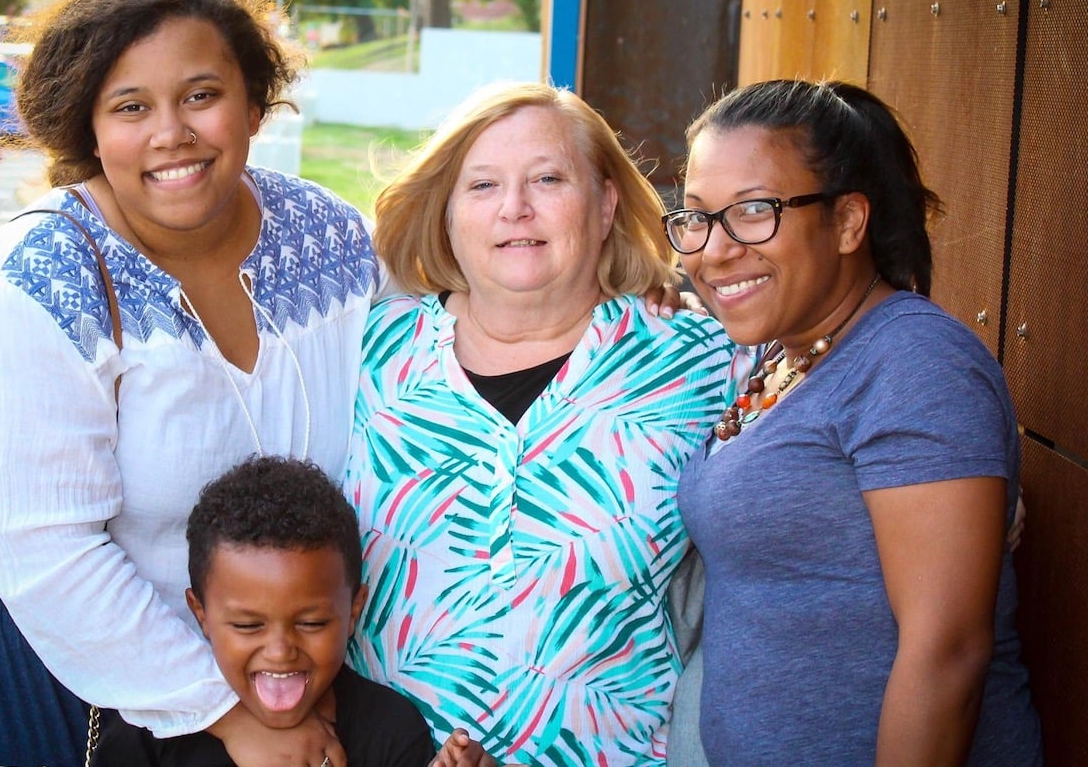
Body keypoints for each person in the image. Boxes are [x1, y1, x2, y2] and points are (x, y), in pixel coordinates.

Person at [0, 0, 382, 765]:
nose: (171, 133)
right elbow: (49, 553)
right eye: (130, 107)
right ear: (87, 128)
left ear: (253, 101)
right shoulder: (39, 272)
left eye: (201, 95)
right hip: (31, 684)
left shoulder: (328, 238)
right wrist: (230, 713)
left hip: (263, 682)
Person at [344, 81, 740, 765]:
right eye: (483, 185)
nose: (514, 209)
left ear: (607, 201)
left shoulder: (701, 364)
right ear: (445, 213)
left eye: (549, 179)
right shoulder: (364, 352)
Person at [668, 79, 1043, 764]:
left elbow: (948, 654)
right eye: (696, 217)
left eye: (754, 211)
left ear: (847, 222)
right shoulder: (780, 353)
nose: (713, 251)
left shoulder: (914, 363)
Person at [92, 455, 495, 767]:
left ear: (354, 610)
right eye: (248, 625)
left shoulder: (387, 730)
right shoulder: (153, 731)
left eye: (311, 623)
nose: (281, 650)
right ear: (200, 613)